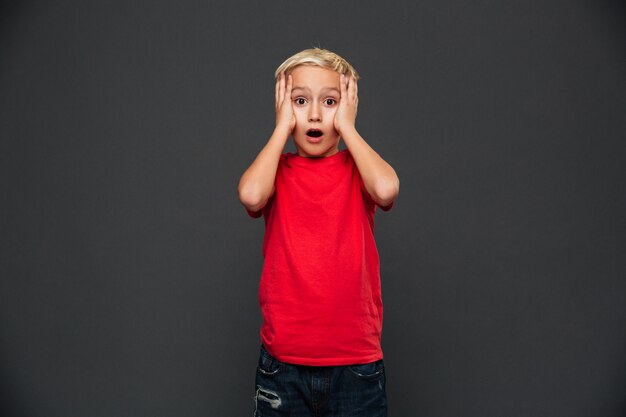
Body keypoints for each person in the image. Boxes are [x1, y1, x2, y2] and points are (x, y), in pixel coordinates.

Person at [238, 47, 399, 417]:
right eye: (299, 101)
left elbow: (387, 189)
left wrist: (349, 129)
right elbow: (250, 194)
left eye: (329, 102)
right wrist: (281, 127)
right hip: (284, 366)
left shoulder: (356, 168)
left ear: (348, 107)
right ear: (283, 106)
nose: (313, 114)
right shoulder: (275, 170)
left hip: (355, 364)